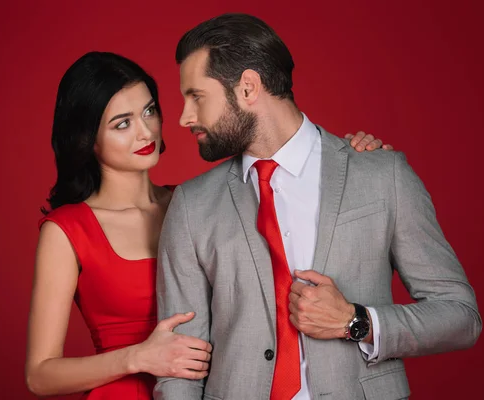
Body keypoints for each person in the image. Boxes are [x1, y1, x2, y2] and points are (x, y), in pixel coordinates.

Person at [155, 13, 482, 400]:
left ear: (247, 87)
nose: (183, 117)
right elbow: (181, 367)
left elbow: (461, 316)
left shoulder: (381, 175)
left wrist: (357, 322)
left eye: (196, 96)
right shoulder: (191, 205)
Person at [25, 51, 388, 399]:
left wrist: (354, 162)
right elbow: (39, 375)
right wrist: (138, 357)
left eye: (149, 111)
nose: (145, 131)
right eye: (122, 123)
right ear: (87, 139)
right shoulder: (67, 230)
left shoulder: (199, 204)